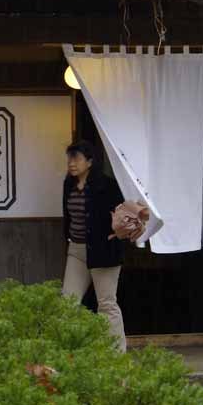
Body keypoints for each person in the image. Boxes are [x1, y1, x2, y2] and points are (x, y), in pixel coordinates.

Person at [62, 140, 127, 353]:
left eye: (76, 159)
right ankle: (69, 352)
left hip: (103, 251)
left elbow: (123, 214)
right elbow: (68, 217)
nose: (72, 163)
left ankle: (116, 357)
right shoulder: (68, 184)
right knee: (67, 303)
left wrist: (116, 232)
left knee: (107, 304)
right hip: (77, 251)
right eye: (70, 158)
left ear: (89, 161)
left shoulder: (106, 185)